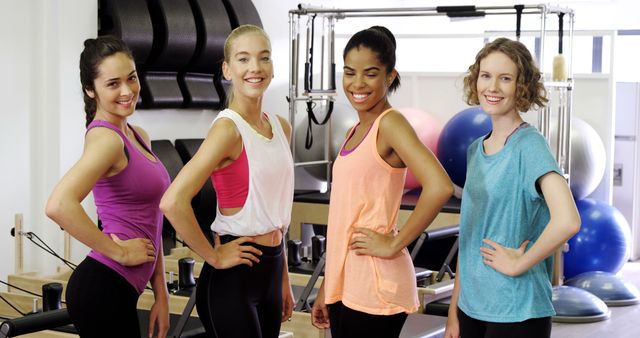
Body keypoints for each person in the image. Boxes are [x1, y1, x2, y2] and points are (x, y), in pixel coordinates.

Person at [310, 26, 454, 338]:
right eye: (349, 72)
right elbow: (343, 220)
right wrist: (328, 287)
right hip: (348, 283)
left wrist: (393, 243)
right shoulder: (356, 129)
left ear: (390, 76)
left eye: (370, 73)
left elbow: (440, 185)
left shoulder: (391, 124)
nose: (357, 83)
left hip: (375, 284)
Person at [160, 24, 295, 338]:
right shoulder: (227, 129)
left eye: (263, 58)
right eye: (243, 59)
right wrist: (213, 255)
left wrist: (284, 275)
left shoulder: (281, 127)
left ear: (273, 67)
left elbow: (277, 216)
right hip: (233, 278)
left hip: (272, 270)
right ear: (227, 69)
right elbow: (172, 201)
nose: (255, 68)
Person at [444, 37, 581, 338]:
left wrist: (521, 261)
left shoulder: (529, 146)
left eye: (505, 78)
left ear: (521, 86)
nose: (492, 87)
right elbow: (469, 238)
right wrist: (454, 310)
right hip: (472, 307)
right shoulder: (476, 150)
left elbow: (568, 220)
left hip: (516, 310)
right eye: (486, 75)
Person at [45, 36, 170, 338]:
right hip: (103, 286)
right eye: (113, 84)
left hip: (124, 287)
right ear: (91, 90)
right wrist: (119, 252)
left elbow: (152, 219)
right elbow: (59, 205)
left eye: (132, 78)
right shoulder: (107, 140)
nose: (127, 91)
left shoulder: (136, 135)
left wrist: (162, 293)